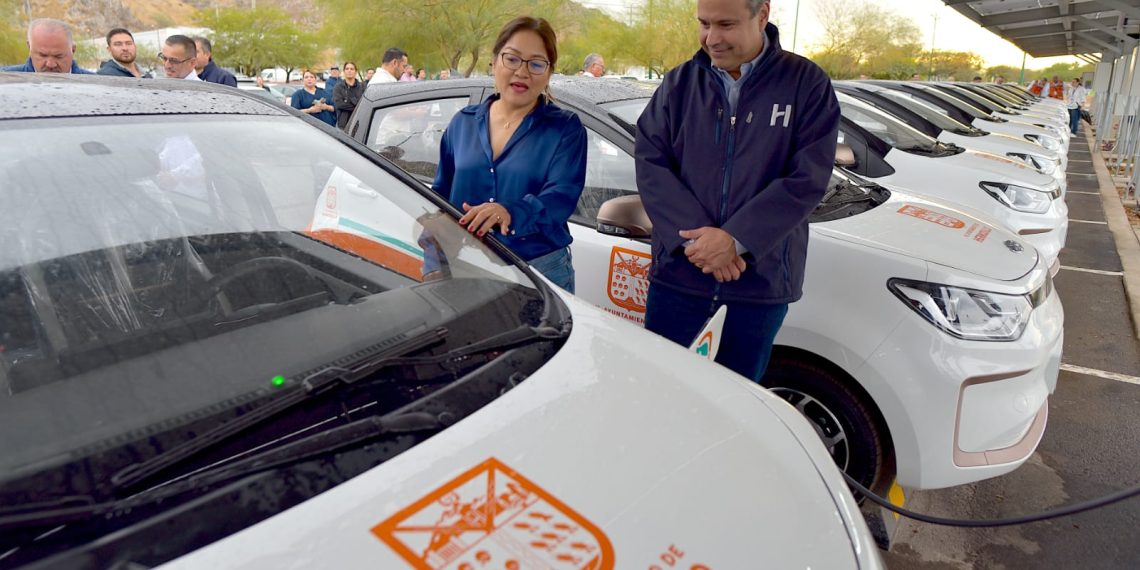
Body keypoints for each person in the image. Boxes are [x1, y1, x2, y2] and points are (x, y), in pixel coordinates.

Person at [635, 0, 839, 383]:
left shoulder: (806, 84)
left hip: (759, 284)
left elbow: (807, 177)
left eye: (725, 24)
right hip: (680, 278)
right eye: (704, 23)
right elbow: (651, 162)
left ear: (762, 15)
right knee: (664, 391)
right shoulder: (678, 84)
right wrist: (701, 243)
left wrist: (736, 239)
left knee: (737, 400)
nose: (712, 38)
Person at [432, 16, 587, 293]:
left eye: (536, 64)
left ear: (549, 72)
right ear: (494, 62)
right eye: (512, 59)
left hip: (539, 271)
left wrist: (510, 212)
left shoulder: (565, 129)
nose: (522, 72)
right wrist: (433, 261)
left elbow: (560, 197)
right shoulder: (462, 124)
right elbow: (439, 200)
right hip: (465, 266)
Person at [2, 18, 93, 74]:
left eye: (58, 56)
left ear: (73, 50)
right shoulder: (5, 81)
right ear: (29, 47)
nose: (50, 64)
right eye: (43, 55)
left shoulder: (95, 86)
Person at [332, 61, 365, 131]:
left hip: (359, 124)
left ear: (356, 72)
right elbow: (339, 105)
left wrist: (347, 102)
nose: (349, 71)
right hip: (342, 126)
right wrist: (356, 104)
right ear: (344, 71)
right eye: (347, 69)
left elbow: (364, 105)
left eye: (352, 69)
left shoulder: (362, 87)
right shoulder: (338, 87)